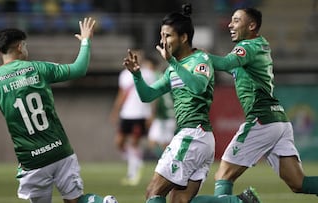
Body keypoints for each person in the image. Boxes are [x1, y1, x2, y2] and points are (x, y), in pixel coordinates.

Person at [0, 17, 118, 203]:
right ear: (20, 46)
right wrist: (85, 41)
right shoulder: (39, 68)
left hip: (32, 160)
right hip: (60, 150)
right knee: (75, 200)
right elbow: (79, 69)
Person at [124, 4, 256, 203]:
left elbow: (198, 87)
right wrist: (136, 76)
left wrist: (173, 63)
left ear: (184, 37)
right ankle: (239, 201)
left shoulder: (200, 59)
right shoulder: (171, 69)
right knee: (180, 200)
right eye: (162, 36)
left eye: (168, 36)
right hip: (197, 138)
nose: (163, 41)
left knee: (153, 192)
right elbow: (148, 95)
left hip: (194, 135)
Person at [192, 7, 318, 203]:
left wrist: (199, 57)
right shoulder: (257, 46)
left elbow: (225, 64)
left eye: (236, 20)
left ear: (251, 25)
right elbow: (229, 65)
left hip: (262, 119)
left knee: (223, 175)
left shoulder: (248, 47)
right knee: (298, 183)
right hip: (279, 121)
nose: (230, 25)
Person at [109, 50, 156, 186]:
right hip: (126, 114)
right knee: (119, 142)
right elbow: (121, 94)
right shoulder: (124, 75)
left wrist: (151, 114)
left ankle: (133, 174)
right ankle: (136, 161)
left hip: (140, 114)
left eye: (138, 56)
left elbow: (153, 95)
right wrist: (115, 111)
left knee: (134, 144)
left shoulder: (148, 74)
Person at [145, 55, 176, 159]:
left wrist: (151, 114)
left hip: (165, 116)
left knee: (163, 144)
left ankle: (171, 163)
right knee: (154, 142)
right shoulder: (162, 75)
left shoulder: (152, 76)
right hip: (167, 115)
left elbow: (155, 97)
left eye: (146, 64)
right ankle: (166, 162)